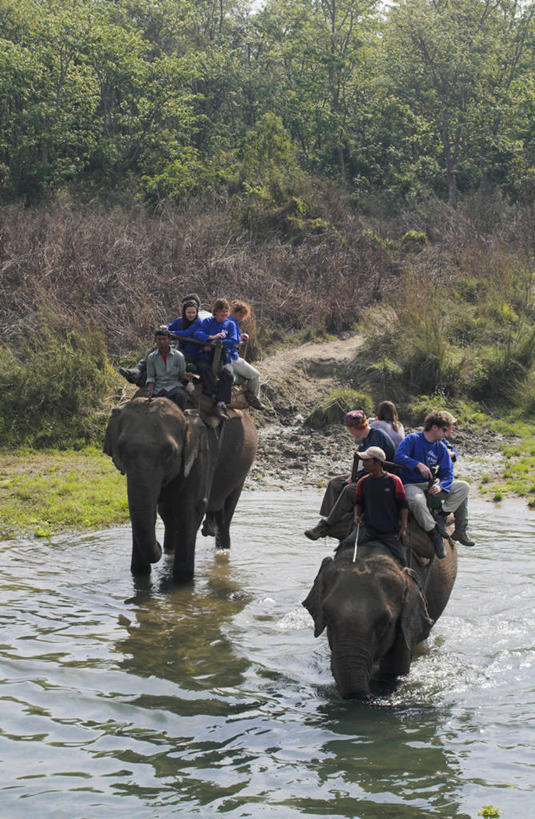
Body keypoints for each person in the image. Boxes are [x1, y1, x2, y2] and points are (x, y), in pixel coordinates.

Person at [304, 409, 396, 541]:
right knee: (334, 483)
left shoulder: (377, 437)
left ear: (352, 428)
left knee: (349, 489)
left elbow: (373, 465)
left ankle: (327, 525)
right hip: (369, 474)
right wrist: (353, 476)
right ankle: (330, 520)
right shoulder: (365, 439)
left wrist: (355, 477)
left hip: (382, 479)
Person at [393, 410, 475, 558]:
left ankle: (442, 516)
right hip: (411, 484)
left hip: (431, 485)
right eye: (444, 430)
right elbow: (398, 456)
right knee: (417, 501)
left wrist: (441, 486)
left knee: (464, 486)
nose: (446, 434)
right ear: (434, 427)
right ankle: (433, 532)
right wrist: (417, 464)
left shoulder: (441, 447)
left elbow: (448, 474)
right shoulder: (413, 439)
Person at [118, 293, 210, 386]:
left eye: (193, 311)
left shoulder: (200, 321)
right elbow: (171, 325)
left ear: (196, 309)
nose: (190, 314)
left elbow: (187, 333)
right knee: (157, 349)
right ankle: (137, 370)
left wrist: (170, 333)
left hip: (192, 353)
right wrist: (165, 327)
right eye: (187, 311)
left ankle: (142, 379)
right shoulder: (181, 320)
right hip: (181, 349)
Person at [339, 446, 408, 566]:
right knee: (345, 545)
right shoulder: (363, 482)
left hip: (389, 531)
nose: (363, 464)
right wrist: (356, 516)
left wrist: (403, 528)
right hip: (368, 529)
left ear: (377, 463)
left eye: (367, 461)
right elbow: (358, 503)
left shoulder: (394, 481)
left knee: (402, 560)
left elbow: (403, 505)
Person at [194, 298, 239, 419]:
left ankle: (220, 403)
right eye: (221, 311)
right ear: (216, 311)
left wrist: (218, 342)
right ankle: (211, 394)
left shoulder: (230, 324)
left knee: (228, 374)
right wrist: (212, 337)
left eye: (226, 311)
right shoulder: (208, 321)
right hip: (207, 354)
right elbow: (198, 334)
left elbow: (234, 340)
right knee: (203, 368)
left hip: (223, 356)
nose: (224, 314)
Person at [144, 327, 193, 409]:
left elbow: (182, 374)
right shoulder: (151, 357)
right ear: (155, 341)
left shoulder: (178, 356)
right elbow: (151, 377)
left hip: (174, 386)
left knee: (181, 395)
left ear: (169, 340)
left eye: (164, 339)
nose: (162, 342)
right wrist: (150, 390)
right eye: (159, 339)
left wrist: (187, 376)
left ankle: (180, 416)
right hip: (159, 388)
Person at [228, 299, 263, 410]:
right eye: (240, 315)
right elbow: (233, 340)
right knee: (255, 375)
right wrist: (239, 338)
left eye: (243, 316)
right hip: (231, 358)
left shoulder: (227, 321)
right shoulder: (231, 323)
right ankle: (252, 397)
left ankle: (250, 396)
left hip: (229, 356)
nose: (241, 318)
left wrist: (240, 336)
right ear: (233, 312)